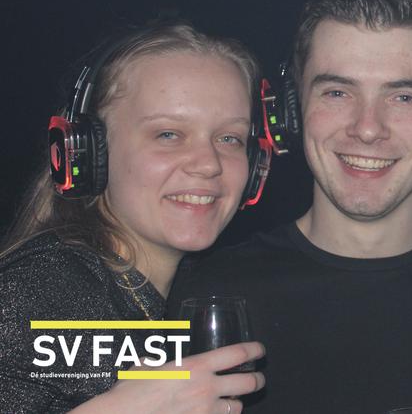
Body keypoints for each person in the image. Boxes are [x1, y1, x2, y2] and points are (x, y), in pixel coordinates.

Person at [169, 0, 412, 413]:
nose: (367, 128)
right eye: (337, 92)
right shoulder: (203, 296)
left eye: (403, 97)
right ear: (291, 111)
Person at [0, 21, 267, 413]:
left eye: (229, 138)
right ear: (89, 153)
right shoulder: (43, 288)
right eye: (168, 135)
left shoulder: (174, 295)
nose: (209, 164)